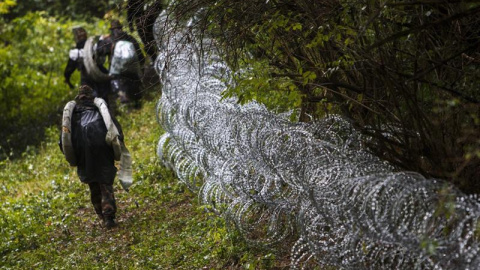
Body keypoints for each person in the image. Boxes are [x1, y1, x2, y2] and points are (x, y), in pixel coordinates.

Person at [60, 85, 124, 229]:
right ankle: (109, 217)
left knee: (93, 185)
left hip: (83, 153)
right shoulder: (101, 110)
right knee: (105, 184)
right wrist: (119, 147)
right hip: (102, 150)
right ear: (91, 96)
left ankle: (101, 215)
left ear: (79, 97)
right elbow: (116, 130)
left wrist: (72, 156)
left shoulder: (73, 115)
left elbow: (63, 140)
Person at [64, 27, 110, 101]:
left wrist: (67, 78)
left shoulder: (75, 52)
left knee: (86, 100)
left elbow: (69, 69)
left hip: (86, 78)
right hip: (100, 74)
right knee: (104, 98)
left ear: (77, 38)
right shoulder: (94, 45)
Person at [107, 19, 145, 107]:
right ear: (121, 28)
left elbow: (103, 52)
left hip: (118, 71)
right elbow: (139, 53)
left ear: (112, 30)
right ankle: (137, 104)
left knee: (118, 86)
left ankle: (125, 104)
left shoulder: (110, 40)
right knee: (135, 86)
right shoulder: (130, 38)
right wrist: (141, 66)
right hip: (132, 68)